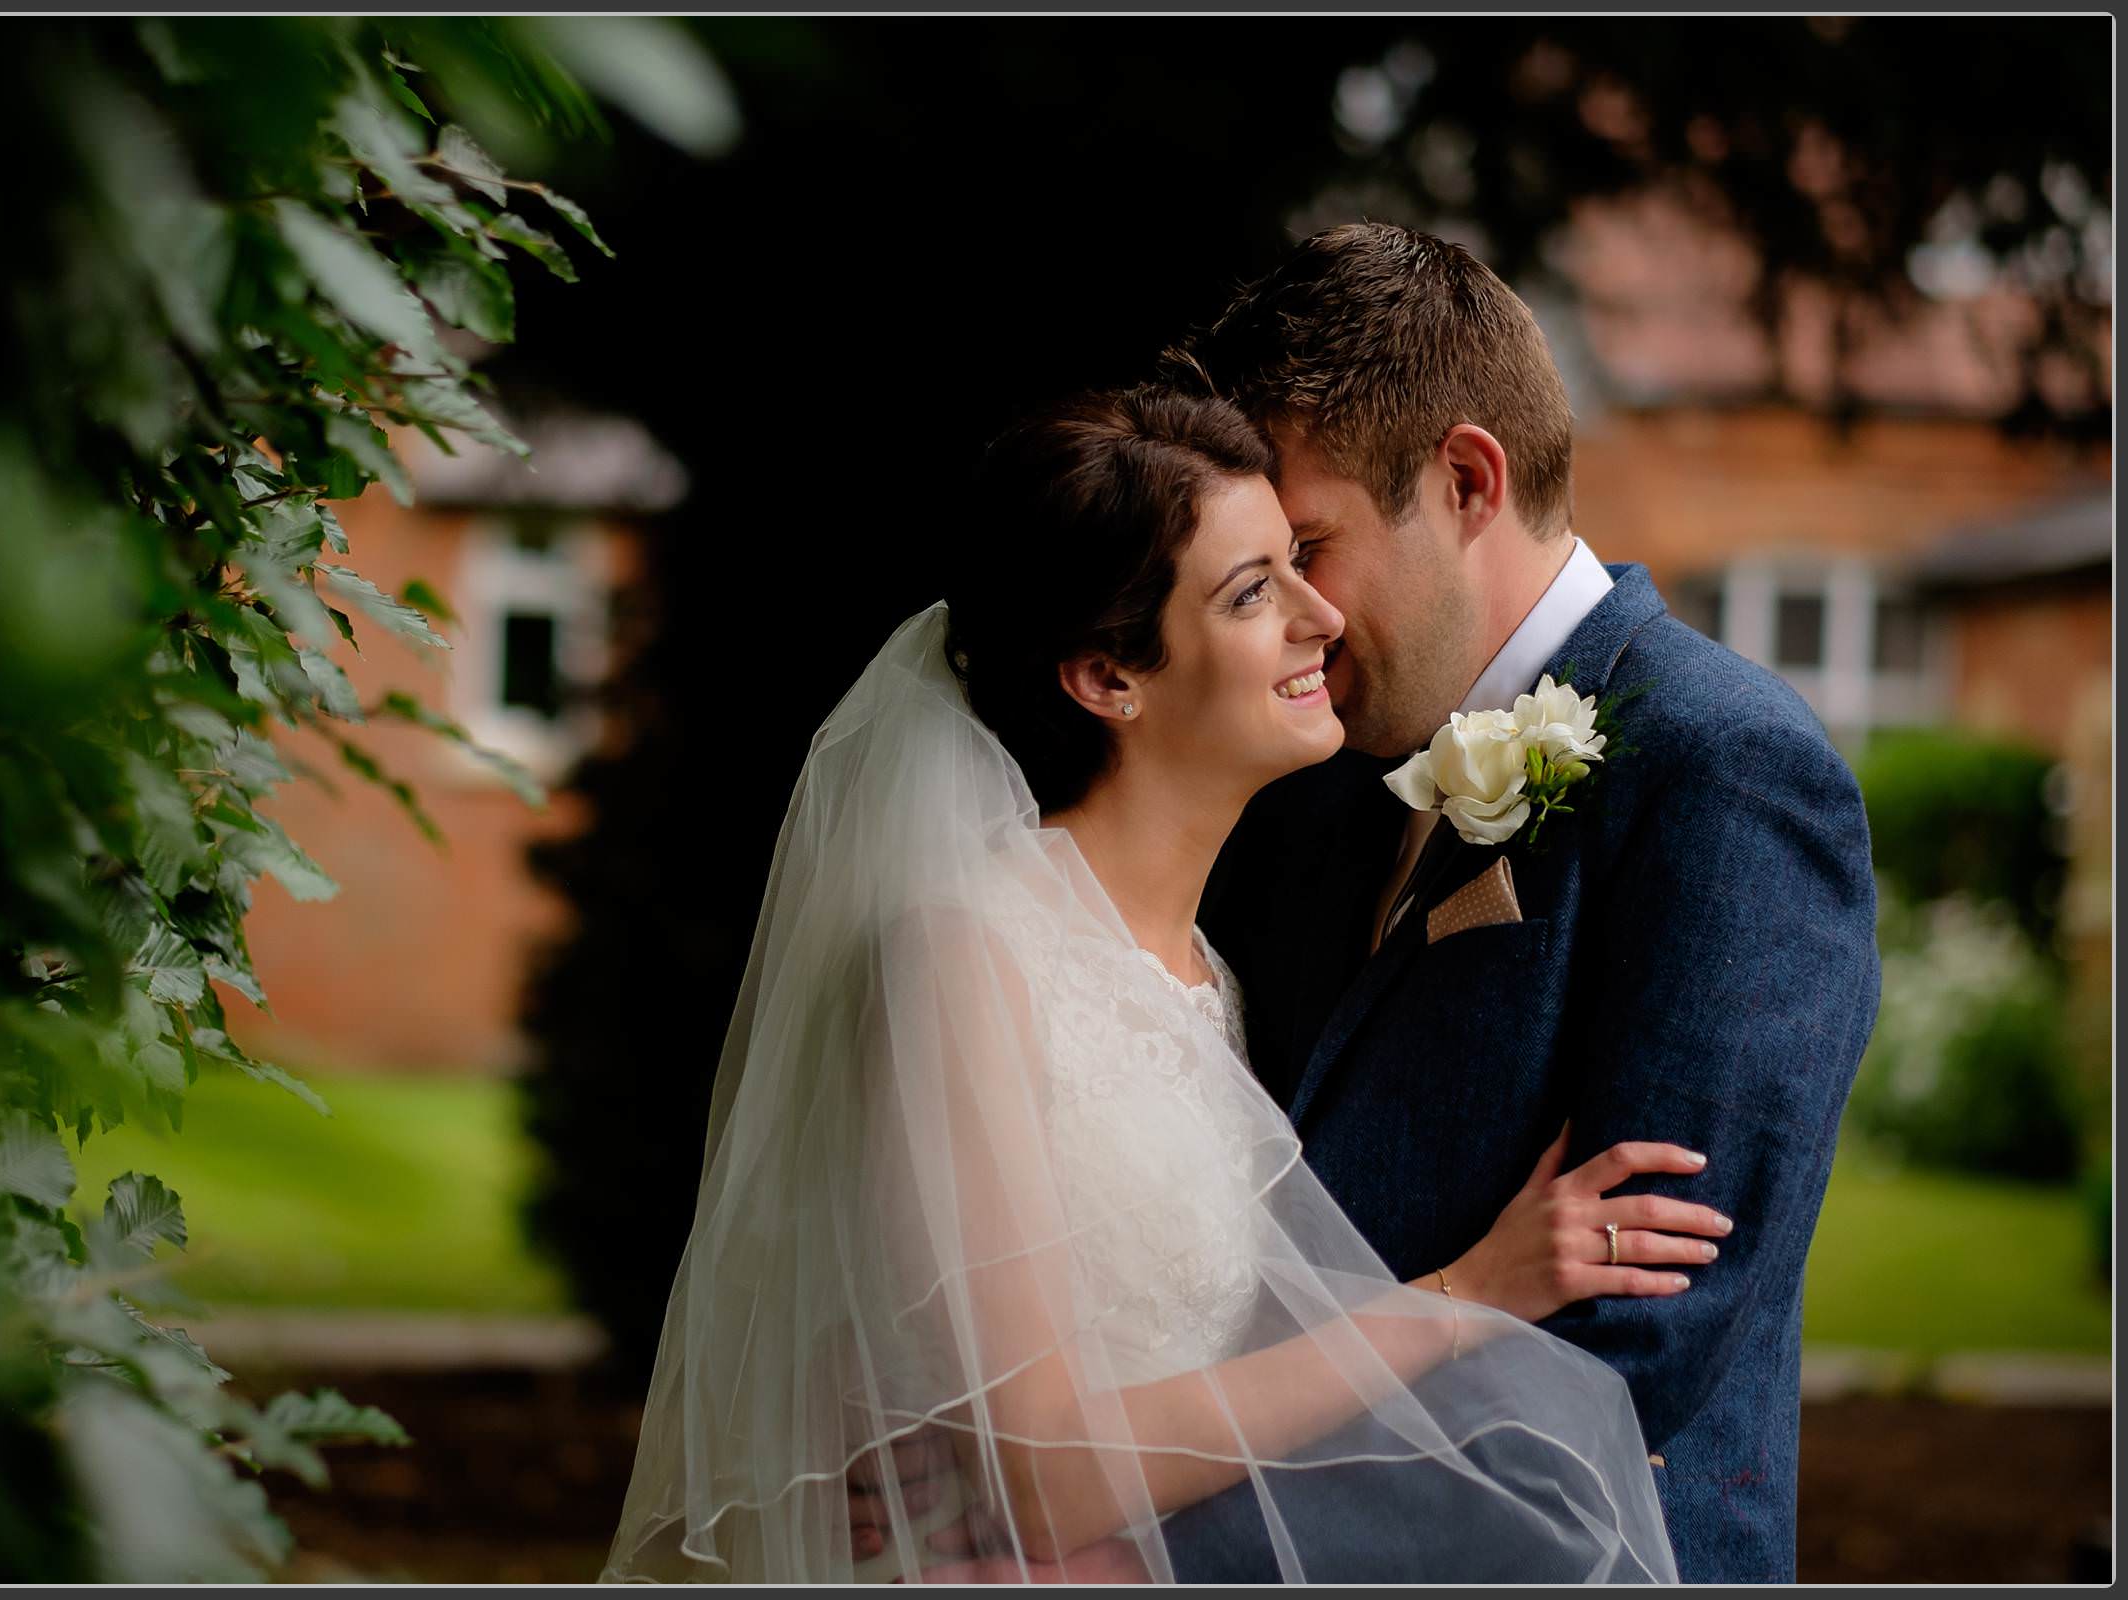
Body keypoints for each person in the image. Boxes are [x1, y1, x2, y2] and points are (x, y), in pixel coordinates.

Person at [601, 387, 1719, 1584]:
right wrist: (1460, 1300)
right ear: (1106, 679)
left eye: (1298, 563)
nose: (1320, 613)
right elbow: (1042, 1476)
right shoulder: (969, 951)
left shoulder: (1208, 975)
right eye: (1251, 592)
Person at [1147, 223, 1882, 1583]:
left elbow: (1636, 1349)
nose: (1293, 616)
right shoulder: (1317, 774)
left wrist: (1165, 1523)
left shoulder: (1725, 768)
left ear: (1467, 480)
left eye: (1311, 546)